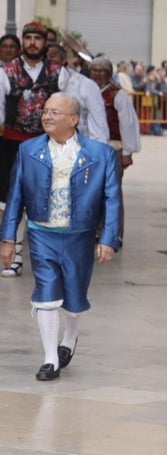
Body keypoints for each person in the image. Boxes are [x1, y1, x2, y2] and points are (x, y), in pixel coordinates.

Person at [0, 92, 122, 381]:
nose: (47, 116)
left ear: (74, 120)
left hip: (80, 235)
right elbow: (15, 197)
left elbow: (112, 199)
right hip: (42, 233)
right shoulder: (28, 150)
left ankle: (70, 337)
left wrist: (108, 238)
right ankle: (50, 358)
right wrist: (8, 239)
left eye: (55, 112)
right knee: (46, 292)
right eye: (45, 111)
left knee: (74, 295)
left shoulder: (100, 154)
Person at [0, 21, 69, 278]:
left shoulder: (59, 72)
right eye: (27, 38)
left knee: (51, 198)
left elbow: (67, 108)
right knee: (12, 199)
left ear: (44, 43)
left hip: (47, 143)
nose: (32, 43)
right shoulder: (6, 71)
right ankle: (14, 254)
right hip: (13, 143)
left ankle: (50, 256)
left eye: (37, 39)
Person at [88, 56, 141, 243]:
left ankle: (114, 233)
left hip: (113, 148)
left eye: (101, 70)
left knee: (111, 192)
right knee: (91, 192)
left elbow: (128, 124)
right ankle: (93, 230)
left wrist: (127, 152)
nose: (97, 73)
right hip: (89, 148)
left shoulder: (118, 94)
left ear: (109, 73)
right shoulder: (85, 91)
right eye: (94, 69)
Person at [46, 44, 109, 144]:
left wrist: (98, 154)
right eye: (45, 57)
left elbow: (99, 128)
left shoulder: (86, 85)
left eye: (52, 56)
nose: (48, 60)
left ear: (64, 60)